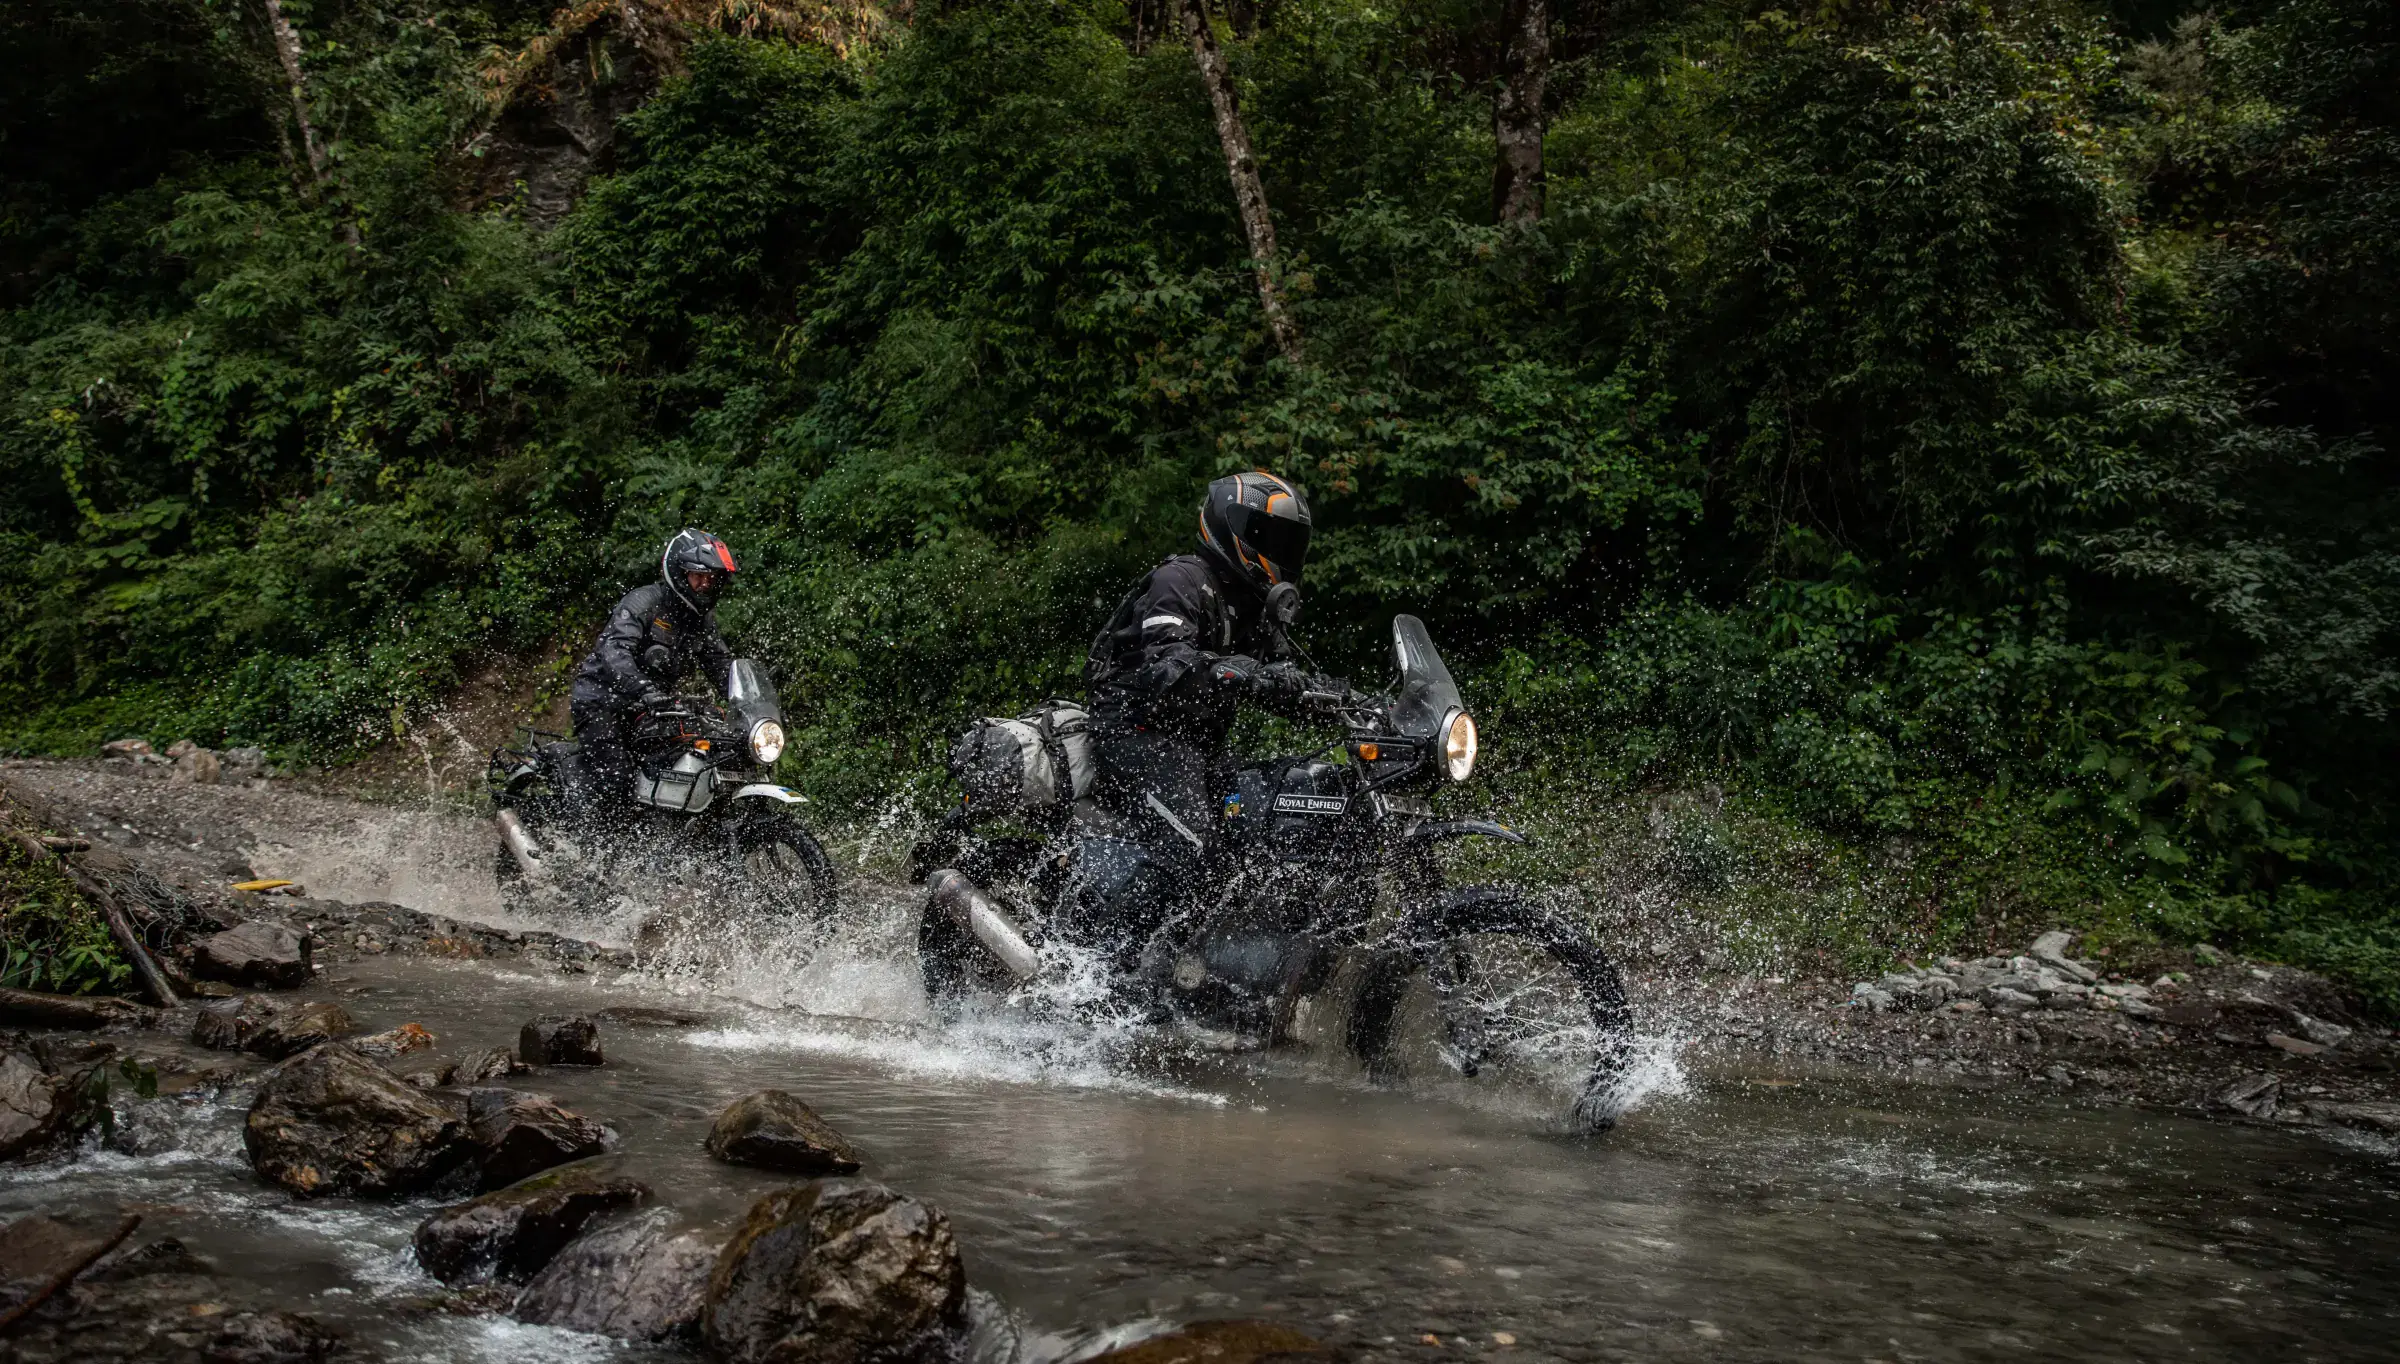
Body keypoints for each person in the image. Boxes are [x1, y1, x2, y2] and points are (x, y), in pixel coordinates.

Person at [1081, 472, 1326, 918]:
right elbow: (1166, 662)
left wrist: (1360, 705)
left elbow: (1286, 680)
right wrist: (1236, 670)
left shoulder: (1257, 606)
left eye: (1290, 543)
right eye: (1270, 538)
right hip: (1134, 733)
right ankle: (1100, 959)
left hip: (1195, 748)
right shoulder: (1179, 579)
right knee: (1193, 848)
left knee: (1254, 835)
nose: (1282, 552)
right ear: (1232, 527)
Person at [568, 529, 740, 813]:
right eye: (699, 576)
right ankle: (597, 836)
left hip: (652, 709)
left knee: (681, 765)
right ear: (679, 573)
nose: (705, 585)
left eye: (712, 579)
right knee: (618, 778)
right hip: (602, 701)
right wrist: (643, 688)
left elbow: (721, 665)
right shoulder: (643, 603)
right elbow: (615, 651)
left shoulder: (701, 620)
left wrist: (748, 700)